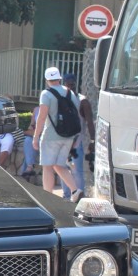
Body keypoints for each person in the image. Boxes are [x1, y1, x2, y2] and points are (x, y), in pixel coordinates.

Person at [31, 66, 80, 199]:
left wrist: (35, 137)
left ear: (47, 80)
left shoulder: (46, 94)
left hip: (51, 136)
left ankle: (48, 198)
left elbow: (41, 117)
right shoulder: (69, 93)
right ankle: (75, 191)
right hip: (68, 136)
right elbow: (76, 114)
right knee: (59, 165)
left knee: (47, 167)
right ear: (59, 78)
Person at [61, 72, 95, 199]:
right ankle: (66, 197)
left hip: (76, 143)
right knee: (63, 170)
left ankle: (79, 198)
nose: (70, 86)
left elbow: (90, 123)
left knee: (76, 171)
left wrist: (92, 140)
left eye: (72, 84)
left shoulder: (83, 101)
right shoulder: (62, 100)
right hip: (63, 142)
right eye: (68, 84)